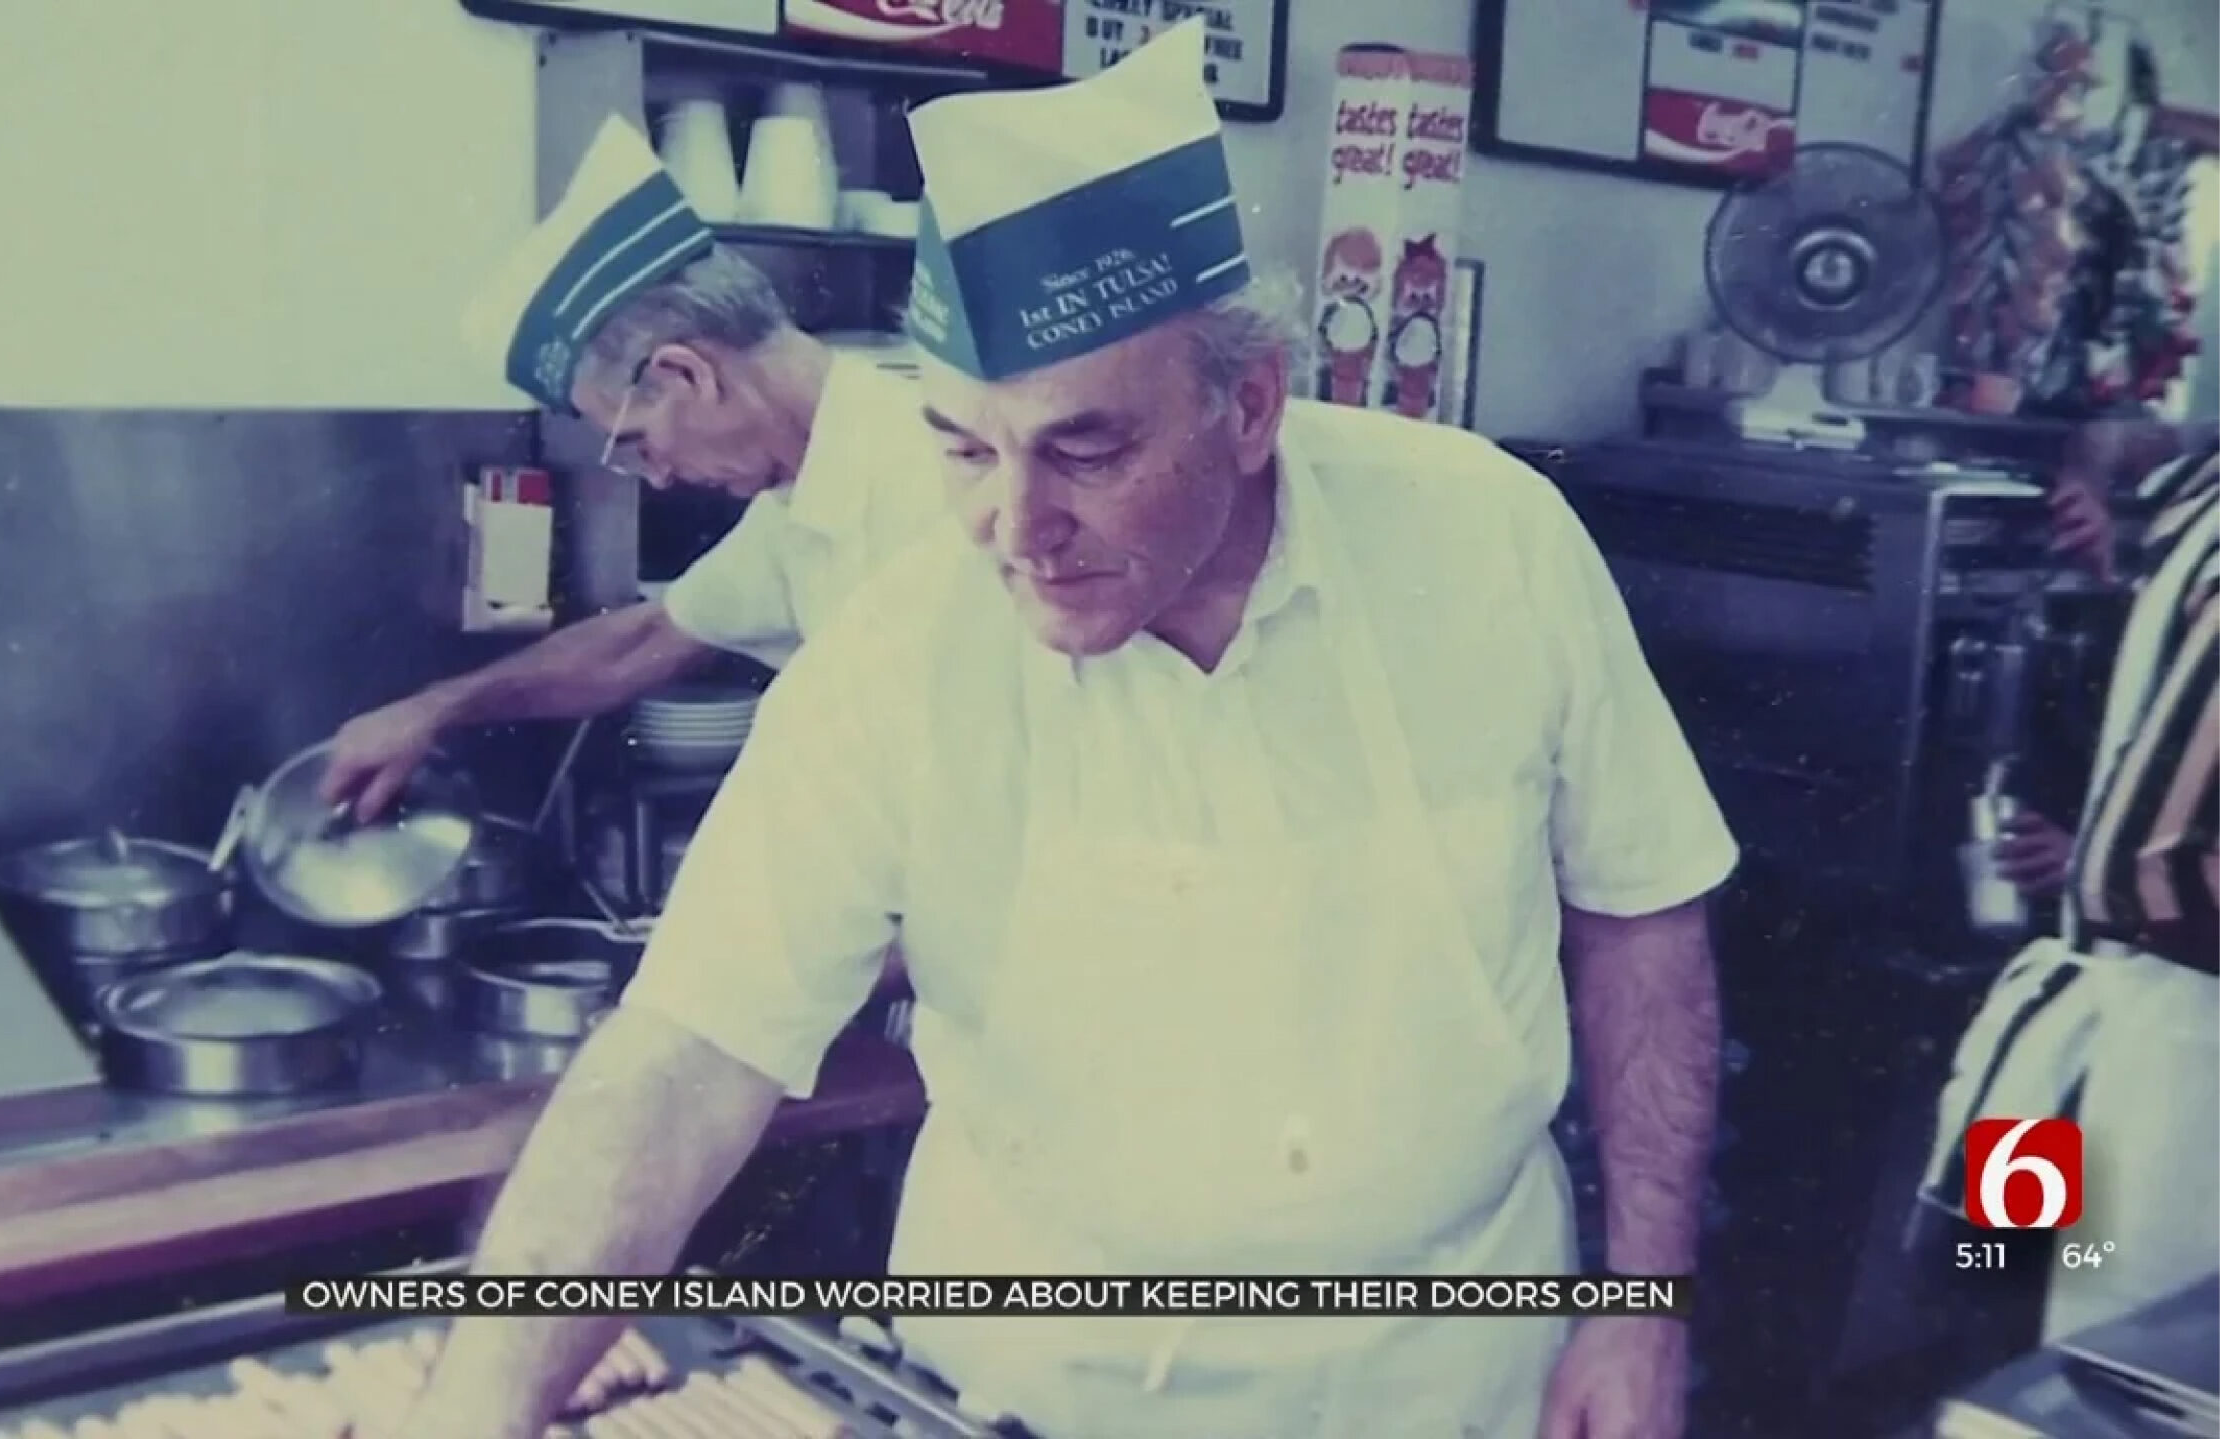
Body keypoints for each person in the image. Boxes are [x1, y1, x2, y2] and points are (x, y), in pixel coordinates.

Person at [403, 22, 1738, 1438]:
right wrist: (468, 1412)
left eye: (1086, 451)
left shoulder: (1489, 545)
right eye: (966, 450)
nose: (1016, 531)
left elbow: (1640, 915)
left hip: (1443, 1371)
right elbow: (679, 1058)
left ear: (1249, 406)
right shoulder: (903, 645)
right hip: (1041, 1386)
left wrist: (1643, 1301)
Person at [318, 114, 945, 820]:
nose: (661, 476)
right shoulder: (801, 494)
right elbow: (641, 640)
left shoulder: (940, 475)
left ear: (686, 374)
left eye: (639, 440)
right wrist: (434, 709)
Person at [1923, 416, 2217, 1343]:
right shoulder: (2193, 509)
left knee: (2063, 1333)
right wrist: (2087, 481)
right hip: (2089, 1037)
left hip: (2154, 1059)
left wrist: (2105, 860)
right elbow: (2122, 439)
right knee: (1997, 1302)